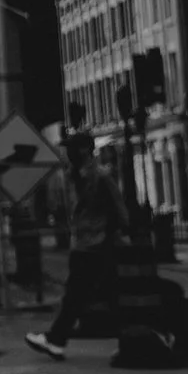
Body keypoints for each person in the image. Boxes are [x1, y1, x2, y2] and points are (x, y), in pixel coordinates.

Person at [26, 132, 128, 361]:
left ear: (83, 150)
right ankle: (130, 339)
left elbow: (121, 213)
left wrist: (112, 234)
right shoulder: (76, 177)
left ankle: (56, 339)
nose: (68, 153)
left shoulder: (100, 178)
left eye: (72, 148)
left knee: (80, 296)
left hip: (96, 246)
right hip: (85, 245)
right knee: (101, 297)